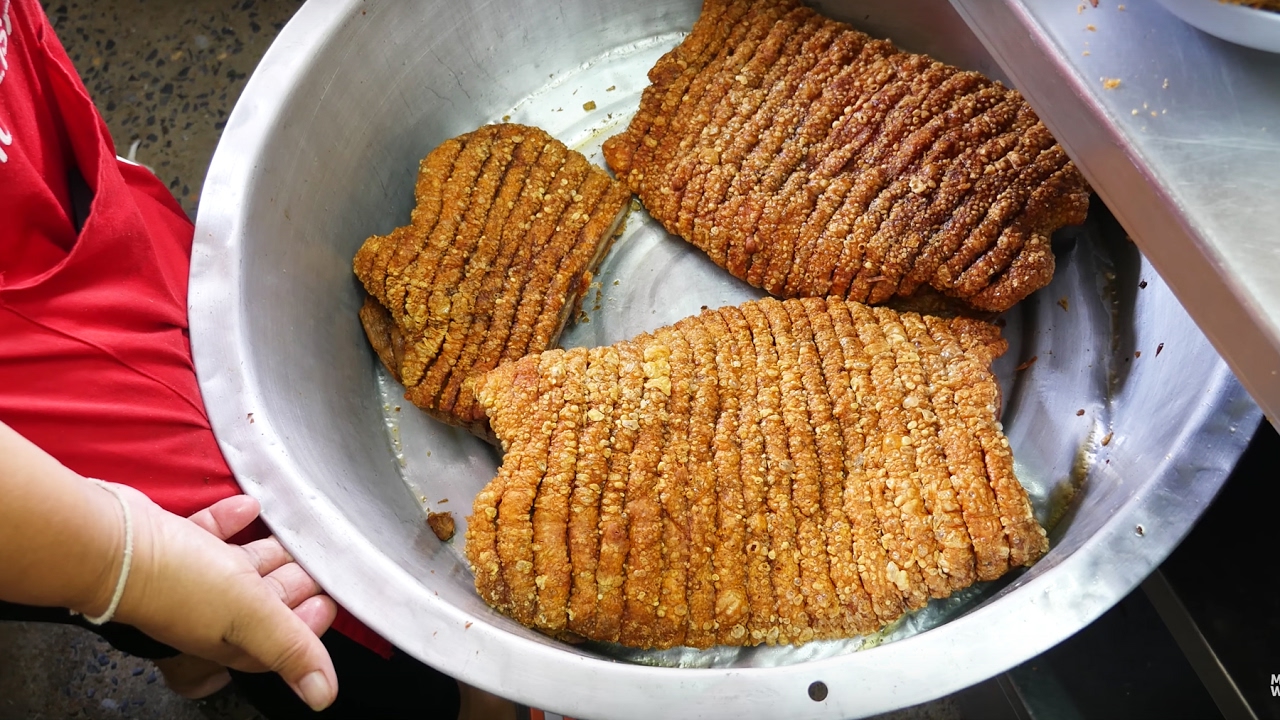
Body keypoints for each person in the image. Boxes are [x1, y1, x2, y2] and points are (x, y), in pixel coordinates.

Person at [0, 0, 513, 716]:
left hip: (48, 191)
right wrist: (125, 567)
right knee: (292, 606)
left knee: (192, 593)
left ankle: (184, 657)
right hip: (35, 461)